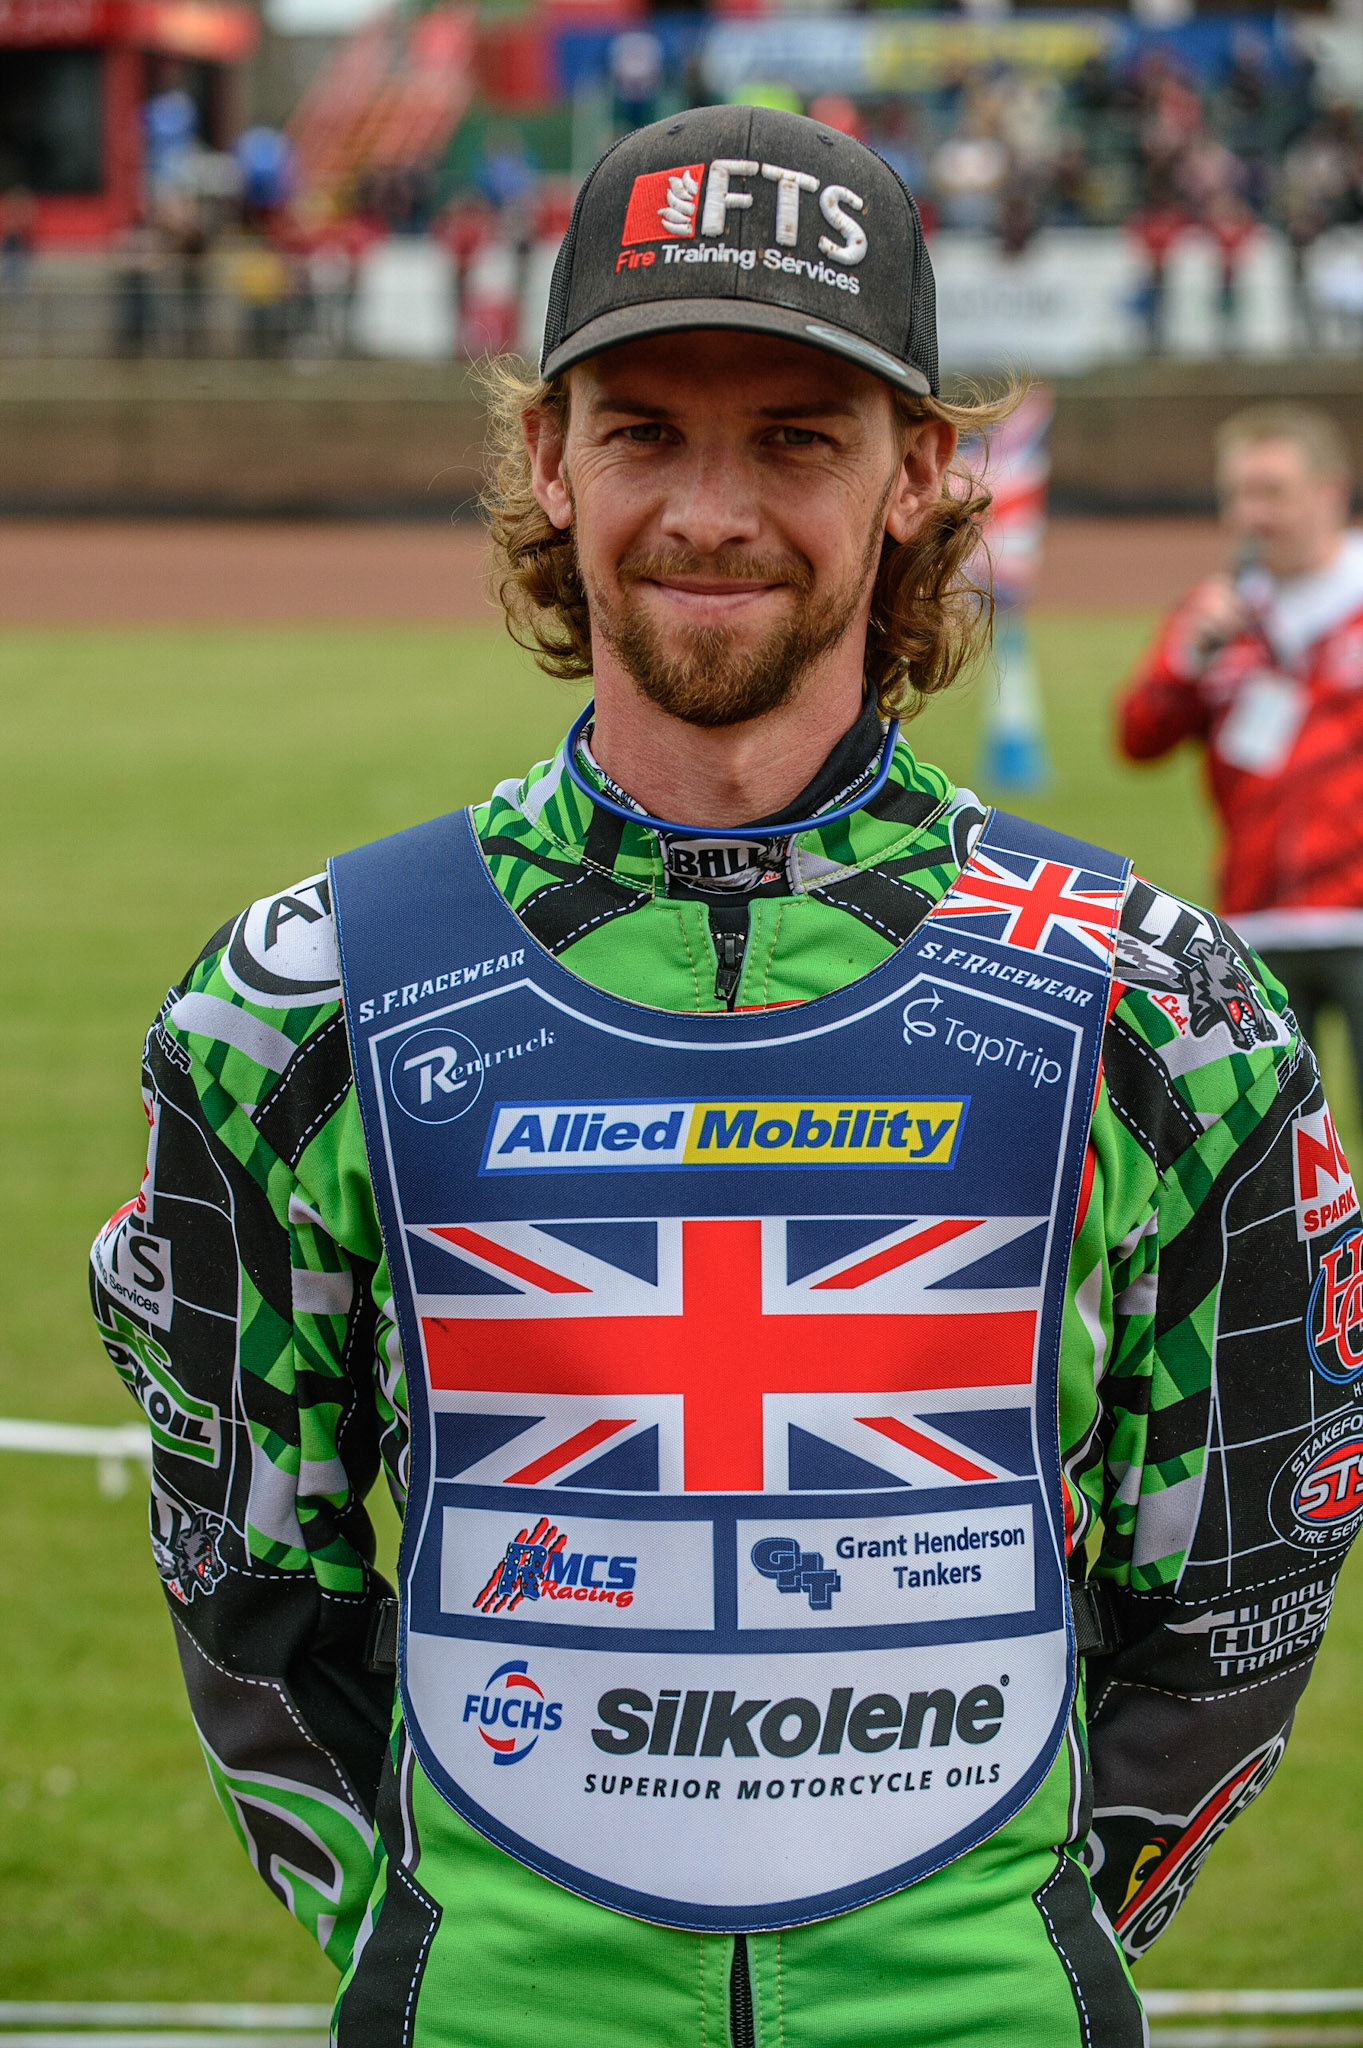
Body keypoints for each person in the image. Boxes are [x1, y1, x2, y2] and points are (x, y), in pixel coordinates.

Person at [91, 110, 1359, 2045]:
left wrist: (1019, 1931)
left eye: (793, 437)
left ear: (918, 472)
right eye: (641, 431)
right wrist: (431, 1942)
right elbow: (247, 1580)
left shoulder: (1156, 1007)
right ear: (546, 454)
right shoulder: (299, 1001)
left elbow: (1245, 1570)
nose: (709, 511)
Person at [1118, 405, 1363, 1097]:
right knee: (1267, 1133)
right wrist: (1185, 659)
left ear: (1330, 492)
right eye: (1238, 494)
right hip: (1253, 923)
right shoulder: (1217, 614)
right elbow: (1138, 739)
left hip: (1357, 914)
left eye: (1272, 492)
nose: (1252, 514)